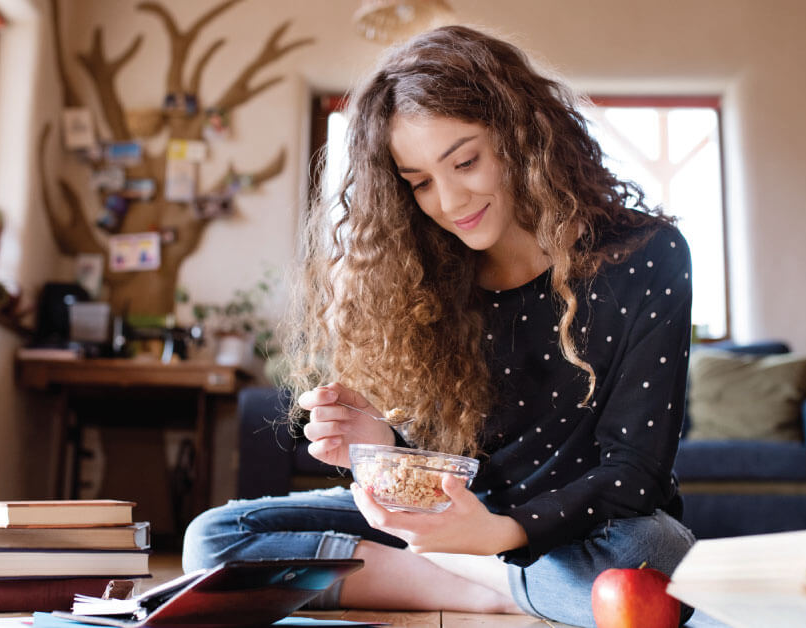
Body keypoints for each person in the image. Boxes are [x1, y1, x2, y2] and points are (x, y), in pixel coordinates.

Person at [184, 25, 696, 627]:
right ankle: (493, 587)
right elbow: (448, 466)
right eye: (420, 182)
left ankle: (462, 573)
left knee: (650, 560)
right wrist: (378, 449)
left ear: (521, 136)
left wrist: (501, 533)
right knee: (215, 539)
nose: (450, 201)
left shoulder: (646, 253)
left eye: (466, 161)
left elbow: (635, 475)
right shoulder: (424, 273)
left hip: (588, 532)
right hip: (460, 523)